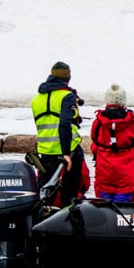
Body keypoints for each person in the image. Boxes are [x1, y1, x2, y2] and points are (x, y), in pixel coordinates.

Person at [30, 61, 90, 207]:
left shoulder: (37, 99)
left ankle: (41, 223)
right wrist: (66, 154)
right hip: (68, 152)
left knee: (46, 196)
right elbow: (64, 124)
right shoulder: (67, 96)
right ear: (68, 77)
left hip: (46, 152)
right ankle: (68, 226)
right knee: (69, 196)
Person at [90, 83, 134, 202]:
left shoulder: (99, 122)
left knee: (105, 209)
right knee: (121, 210)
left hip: (105, 173)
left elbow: (94, 139)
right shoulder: (131, 122)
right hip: (126, 174)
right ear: (123, 101)